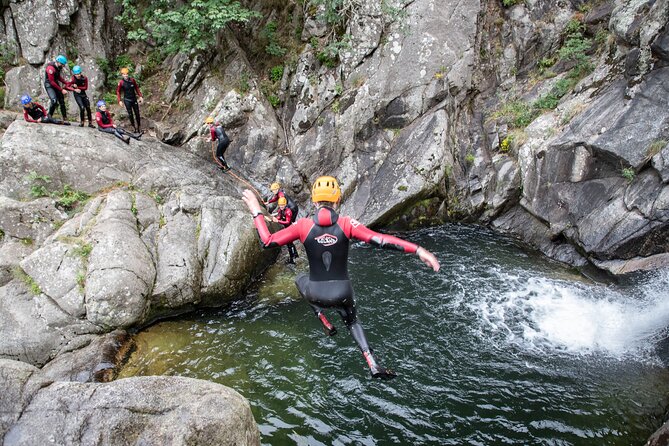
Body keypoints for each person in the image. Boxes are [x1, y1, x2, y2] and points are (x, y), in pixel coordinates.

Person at [242, 176, 440, 380]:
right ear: (338, 201)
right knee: (353, 322)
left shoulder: (303, 226)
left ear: (314, 201)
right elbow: (380, 241)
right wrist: (418, 250)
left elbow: (268, 241)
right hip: (343, 293)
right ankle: (372, 363)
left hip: (315, 293)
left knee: (300, 279)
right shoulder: (347, 224)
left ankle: (322, 318)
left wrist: (256, 210)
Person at [116, 67, 143, 133]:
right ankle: (133, 127)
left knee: (137, 113)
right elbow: (118, 91)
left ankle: (139, 127)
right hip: (127, 100)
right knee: (130, 114)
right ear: (122, 75)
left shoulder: (132, 80)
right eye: (124, 74)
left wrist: (140, 96)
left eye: (127, 74)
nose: (126, 75)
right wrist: (119, 100)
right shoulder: (121, 82)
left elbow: (136, 88)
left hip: (134, 99)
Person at [273, 196, 299, 264]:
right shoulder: (280, 210)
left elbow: (287, 222)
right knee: (289, 244)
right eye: (280, 205)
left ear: (285, 204)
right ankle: (295, 256)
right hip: (286, 229)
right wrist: (274, 219)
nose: (281, 206)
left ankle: (293, 259)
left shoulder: (288, 211)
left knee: (290, 244)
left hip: (290, 229)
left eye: (282, 205)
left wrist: (278, 221)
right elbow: (279, 217)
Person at [44, 54, 70, 120]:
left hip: (55, 83)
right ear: (58, 62)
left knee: (62, 101)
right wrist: (61, 90)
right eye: (62, 64)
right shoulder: (51, 68)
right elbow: (52, 82)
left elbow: (58, 77)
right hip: (49, 85)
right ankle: (49, 115)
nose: (63, 66)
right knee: (54, 100)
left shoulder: (58, 67)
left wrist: (66, 82)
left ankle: (65, 117)